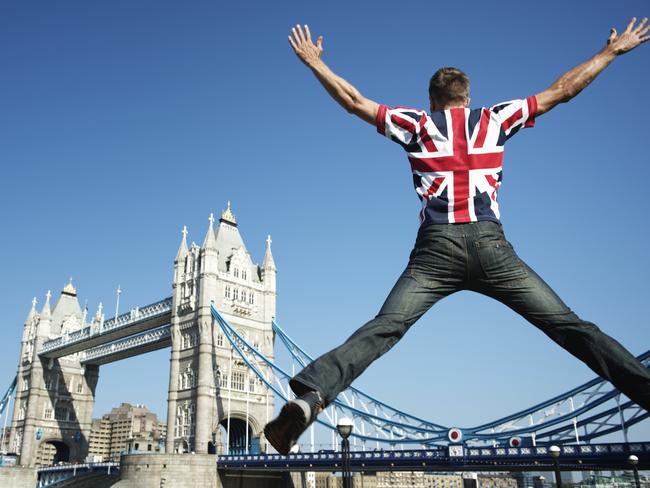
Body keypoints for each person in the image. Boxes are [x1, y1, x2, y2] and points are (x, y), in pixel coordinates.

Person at [264, 19, 650, 455]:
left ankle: (310, 398)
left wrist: (317, 63)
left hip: (436, 250)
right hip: (492, 248)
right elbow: (563, 89)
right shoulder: (495, 118)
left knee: (385, 328)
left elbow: (353, 101)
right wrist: (610, 53)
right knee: (569, 326)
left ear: (431, 101)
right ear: (468, 98)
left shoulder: (416, 124)